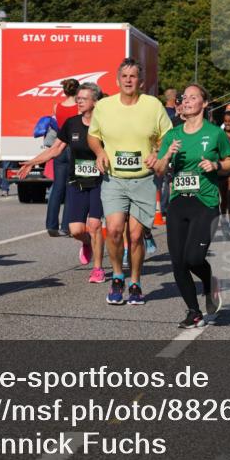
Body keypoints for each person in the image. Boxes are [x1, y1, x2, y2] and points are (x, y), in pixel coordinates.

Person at [88, 59, 172, 306]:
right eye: (124, 76)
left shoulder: (153, 105)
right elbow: (93, 136)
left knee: (135, 236)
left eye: (133, 76)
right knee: (113, 230)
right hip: (114, 179)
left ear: (141, 81)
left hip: (143, 180)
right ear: (117, 80)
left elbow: (168, 135)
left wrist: (158, 153)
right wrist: (99, 153)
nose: (128, 80)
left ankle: (135, 282)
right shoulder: (104, 106)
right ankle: (117, 276)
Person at [155, 84, 230, 328]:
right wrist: (167, 155)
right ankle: (194, 311)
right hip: (178, 203)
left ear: (205, 103)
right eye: (184, 98)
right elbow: (158, 169)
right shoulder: (172, 134)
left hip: (205, 203)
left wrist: (217, 166)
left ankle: (210, 282)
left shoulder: (215, 133)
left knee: (193, 258)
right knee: (177, 262)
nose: (187, 101)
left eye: (193, 97)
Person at [18, 83, 107, 284]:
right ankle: (87, 244)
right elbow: (55, 149)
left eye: (84, 98)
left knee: (94, 224)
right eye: (78, 98)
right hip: (76, 181)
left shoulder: (104, 124)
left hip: (100, 182)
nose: (79, 101)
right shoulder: (71, 123)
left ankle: (98, 269)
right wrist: (33, 162)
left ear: (95, 101)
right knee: (76, 230)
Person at [46, 78, 79, 236]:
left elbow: (56, 126)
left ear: (64, 91)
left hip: (59, 147)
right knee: (71, 187)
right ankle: (66, 226)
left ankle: (51, 225)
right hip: (74, 147)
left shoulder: (56, 107)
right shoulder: (79, 107)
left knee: (57, 187)